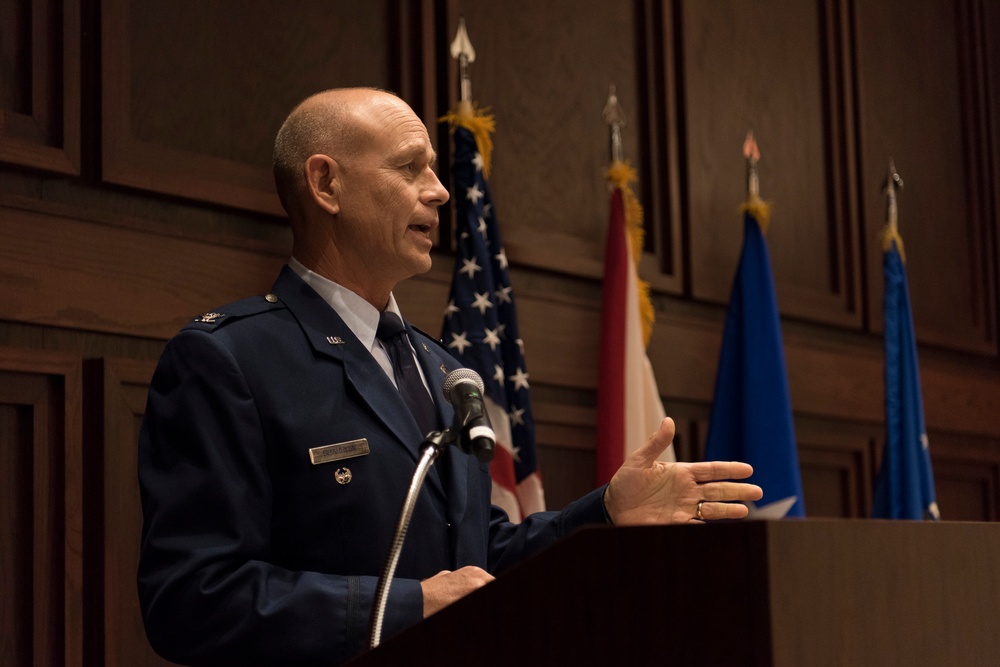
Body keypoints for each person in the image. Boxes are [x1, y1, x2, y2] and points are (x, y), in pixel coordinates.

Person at [137, 87, 763, 666]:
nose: (438, 191)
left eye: (434, 169)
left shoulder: (443, 369)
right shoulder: (230, 360)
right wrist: (413, 607)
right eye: (410, 168)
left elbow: (479, 557)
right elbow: (191, 597)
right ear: (326, 183)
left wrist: (601, 511)